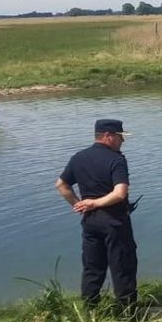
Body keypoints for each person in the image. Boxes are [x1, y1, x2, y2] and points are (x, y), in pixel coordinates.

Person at [55, 119, 138, 311]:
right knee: (122, 265)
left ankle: (91, 311)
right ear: (108, 136)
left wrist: (79, 205)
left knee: (92, 267)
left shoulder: (78, 157)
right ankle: (128, 314)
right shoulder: (116, 159)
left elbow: (61, 185)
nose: (122, 142)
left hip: (90, 222)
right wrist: (95, 203)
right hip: (114, 221)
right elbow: (120, 193)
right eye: (120, 137)